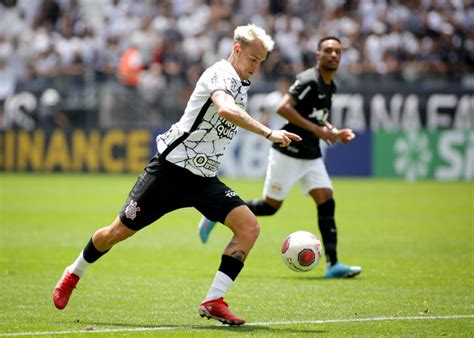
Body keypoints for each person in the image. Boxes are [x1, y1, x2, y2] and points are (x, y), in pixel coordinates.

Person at [52, 24, 301, 326]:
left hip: (202, 178)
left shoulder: (241, 84)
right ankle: (73, 273)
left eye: (261, 61)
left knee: (249, 227)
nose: (256, 67)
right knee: (116, 233)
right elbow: (224, 109)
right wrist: (267, 131)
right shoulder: (220, 74)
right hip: (169, 172)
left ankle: (214, 300)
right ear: (236, 50)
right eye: (253, 59)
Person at [198, 36, 362, 279]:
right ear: (318, 55)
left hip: (311, 155)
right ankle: (215, 213)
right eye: (328, 50)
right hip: (289, 151)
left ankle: (333, 264)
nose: (334, 55)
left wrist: (332, 131)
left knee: (327, 200)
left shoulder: (330, 85)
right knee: (270, 207)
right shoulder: (309, 80)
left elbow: (317, 116)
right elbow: (284, 107)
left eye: (338, 51)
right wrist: (317, 131)